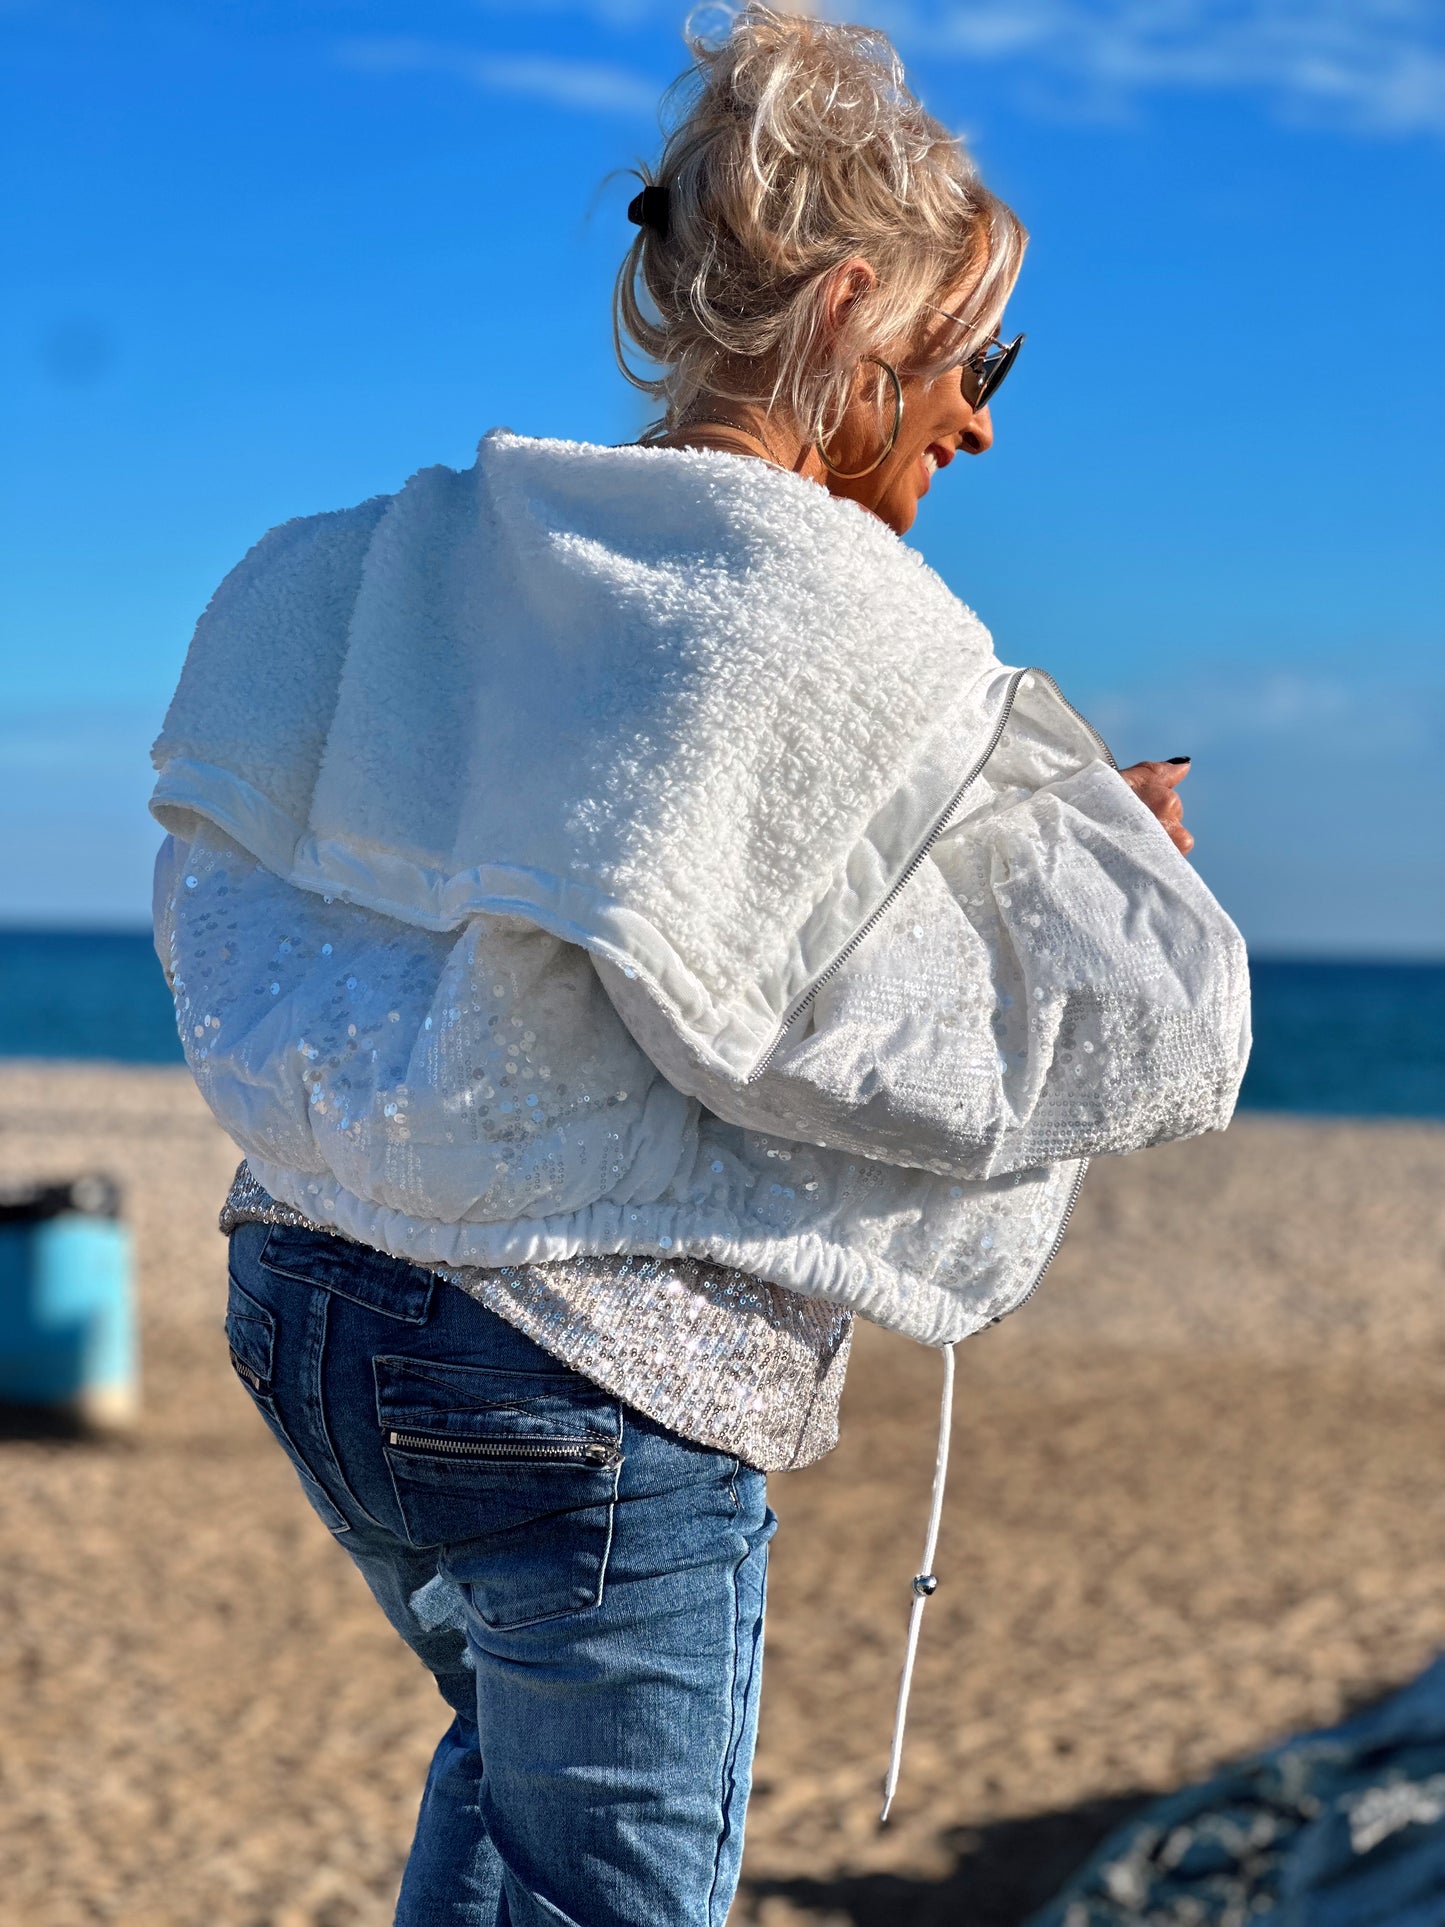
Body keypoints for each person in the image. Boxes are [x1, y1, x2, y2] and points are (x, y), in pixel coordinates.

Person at [149, 9, 1249, 1922]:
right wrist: (1106, 871)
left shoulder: (473, 553)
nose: (980, 417)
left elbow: (619, 918)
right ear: (848, 317)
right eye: (972, 359)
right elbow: (1046, 1025)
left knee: (507, 1796)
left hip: (311, 1305)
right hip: (577, 1388)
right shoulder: (838, 626)